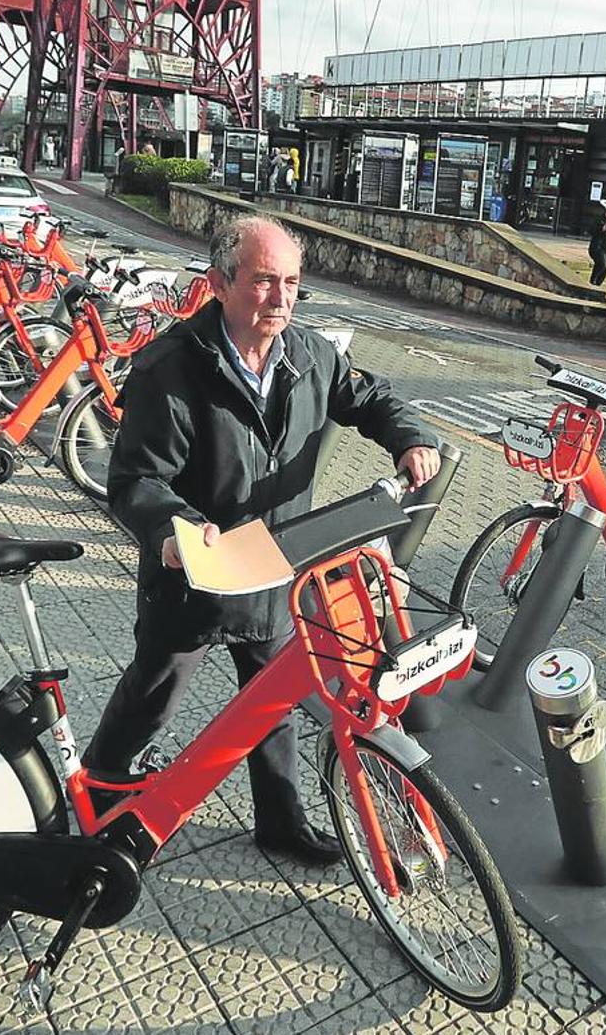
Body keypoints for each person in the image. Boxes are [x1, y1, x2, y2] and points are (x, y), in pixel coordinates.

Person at [81, 216, 441, 866]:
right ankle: (96, 797)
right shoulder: (169, 368)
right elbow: (134, 479)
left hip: (279, 573)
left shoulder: (314, 356)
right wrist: (173, 530)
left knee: (271, 703)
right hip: (193, 579)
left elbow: (371, 398)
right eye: (264, 282)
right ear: (219, 283)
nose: (281, 299)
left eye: (293, 284)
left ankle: (281, 823)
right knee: (150, 697)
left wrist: (411, 437)